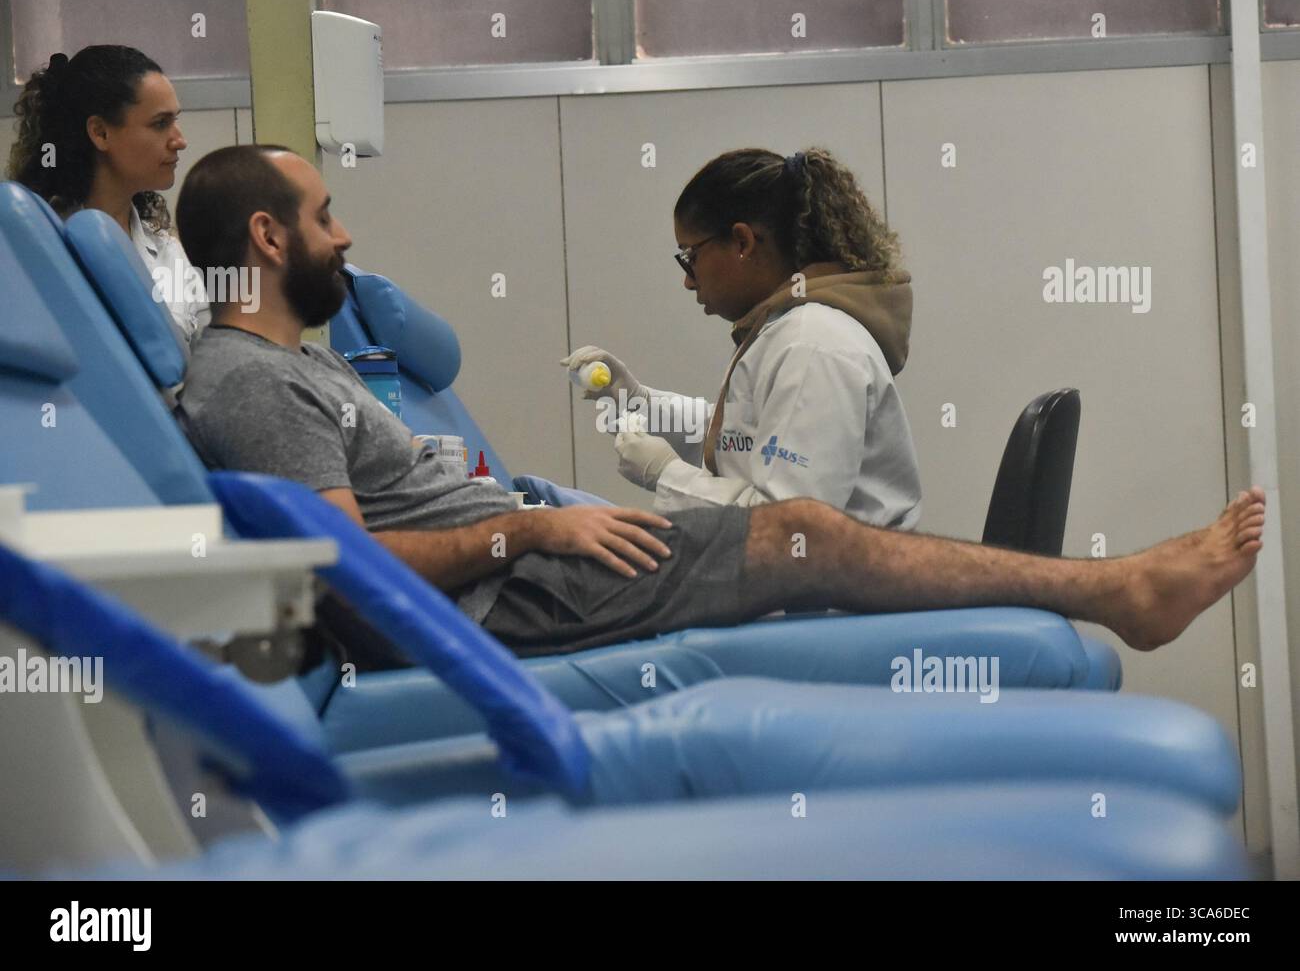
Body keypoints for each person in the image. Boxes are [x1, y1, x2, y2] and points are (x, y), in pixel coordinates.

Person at [175, 144, 1265, 661]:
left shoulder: (297, 367)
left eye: (693, 254)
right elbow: (340, 565)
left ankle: (1120, 590)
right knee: (800, 533)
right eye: (326, 216)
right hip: (498, 605)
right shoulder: (255, 379)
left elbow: (762, 482)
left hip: (519, 578)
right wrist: (533, 523)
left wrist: (597, 469)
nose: (347, 236)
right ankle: (1121, 589)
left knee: (804, 532)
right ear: (268, 240)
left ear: (747, 245)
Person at [564, 146, 921, 528]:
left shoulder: (813, 345)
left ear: (742, 242)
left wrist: (667, 475)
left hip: (835, 585)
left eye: (690, 256)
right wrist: (640, 404)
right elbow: (744, 440)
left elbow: (789, 527)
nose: (687, 280)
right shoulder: (787, 330)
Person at [6, 44, 207, 347]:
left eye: (174, 121)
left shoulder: (167, 252)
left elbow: (208, 359)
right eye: (160, 124)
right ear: (100, 133)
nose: (180, 141)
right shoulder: (33, 250)